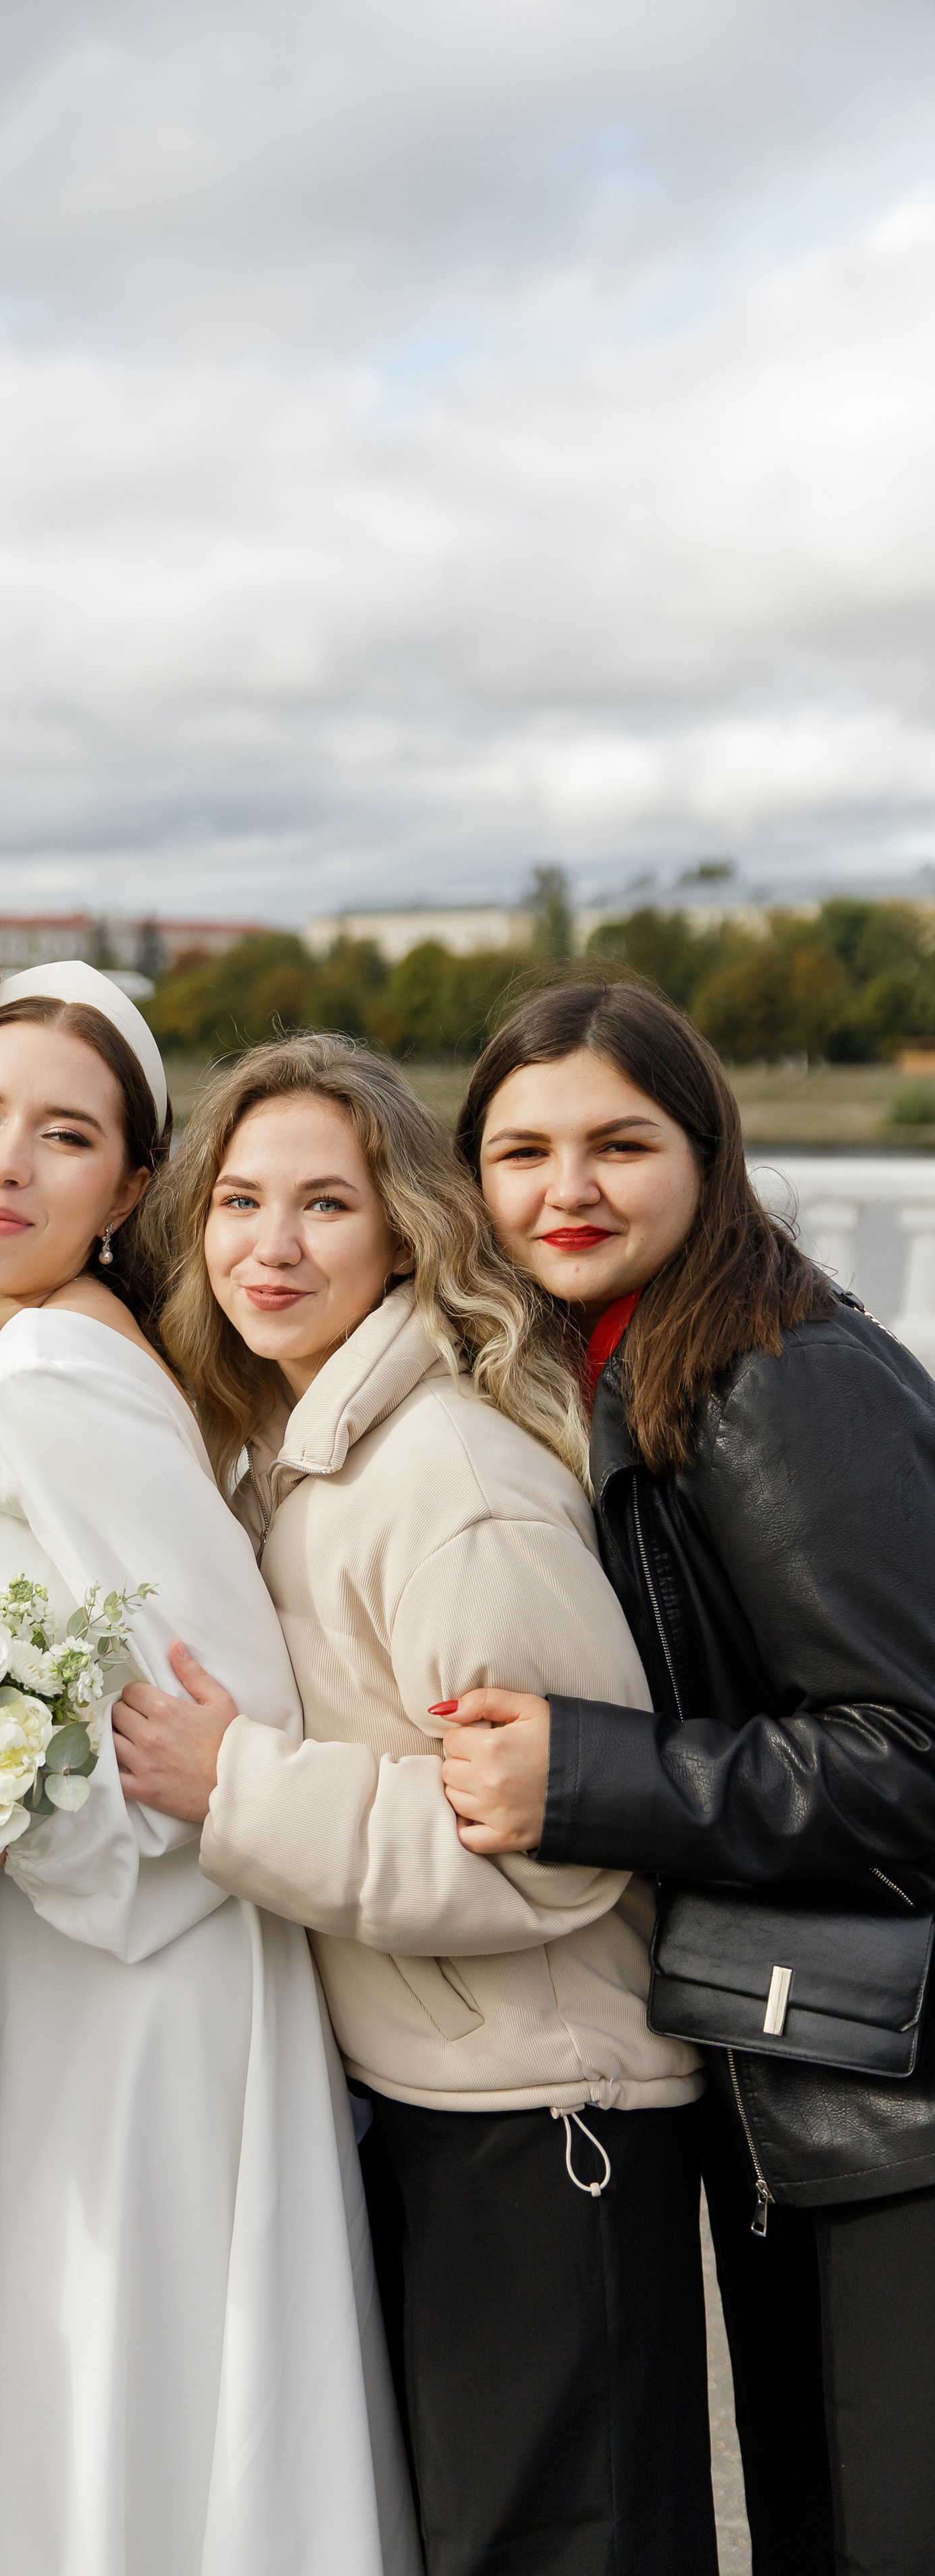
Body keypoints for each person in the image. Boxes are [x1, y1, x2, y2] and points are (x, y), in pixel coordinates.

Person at [109, 1031, 715, 2576]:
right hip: (431, 2097)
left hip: (546, 2113)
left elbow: (554, 1849)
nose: (270, 1244)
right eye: (237, 1201)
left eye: (324, 1203)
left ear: (402, 1228)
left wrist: (232, 1783)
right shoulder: (300, 1453)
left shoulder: (445, 1479)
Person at [0, 965, 418, 2576]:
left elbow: (220, 1701)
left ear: (131, 1188)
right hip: (129, 1948)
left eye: (63, 1138)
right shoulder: (83, 1351)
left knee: (121, 2353)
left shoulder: (54, 1375)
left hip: (138, 1957)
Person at [440, 978, 935, 2576]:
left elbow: (910, 1753)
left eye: (616, 1144)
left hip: (888, 2105)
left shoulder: (775, 1378)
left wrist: (585, 1778)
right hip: (813, 2070)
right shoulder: (633, 1352)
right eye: (517, 1152)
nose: (561, 1191)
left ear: (705, 1154)